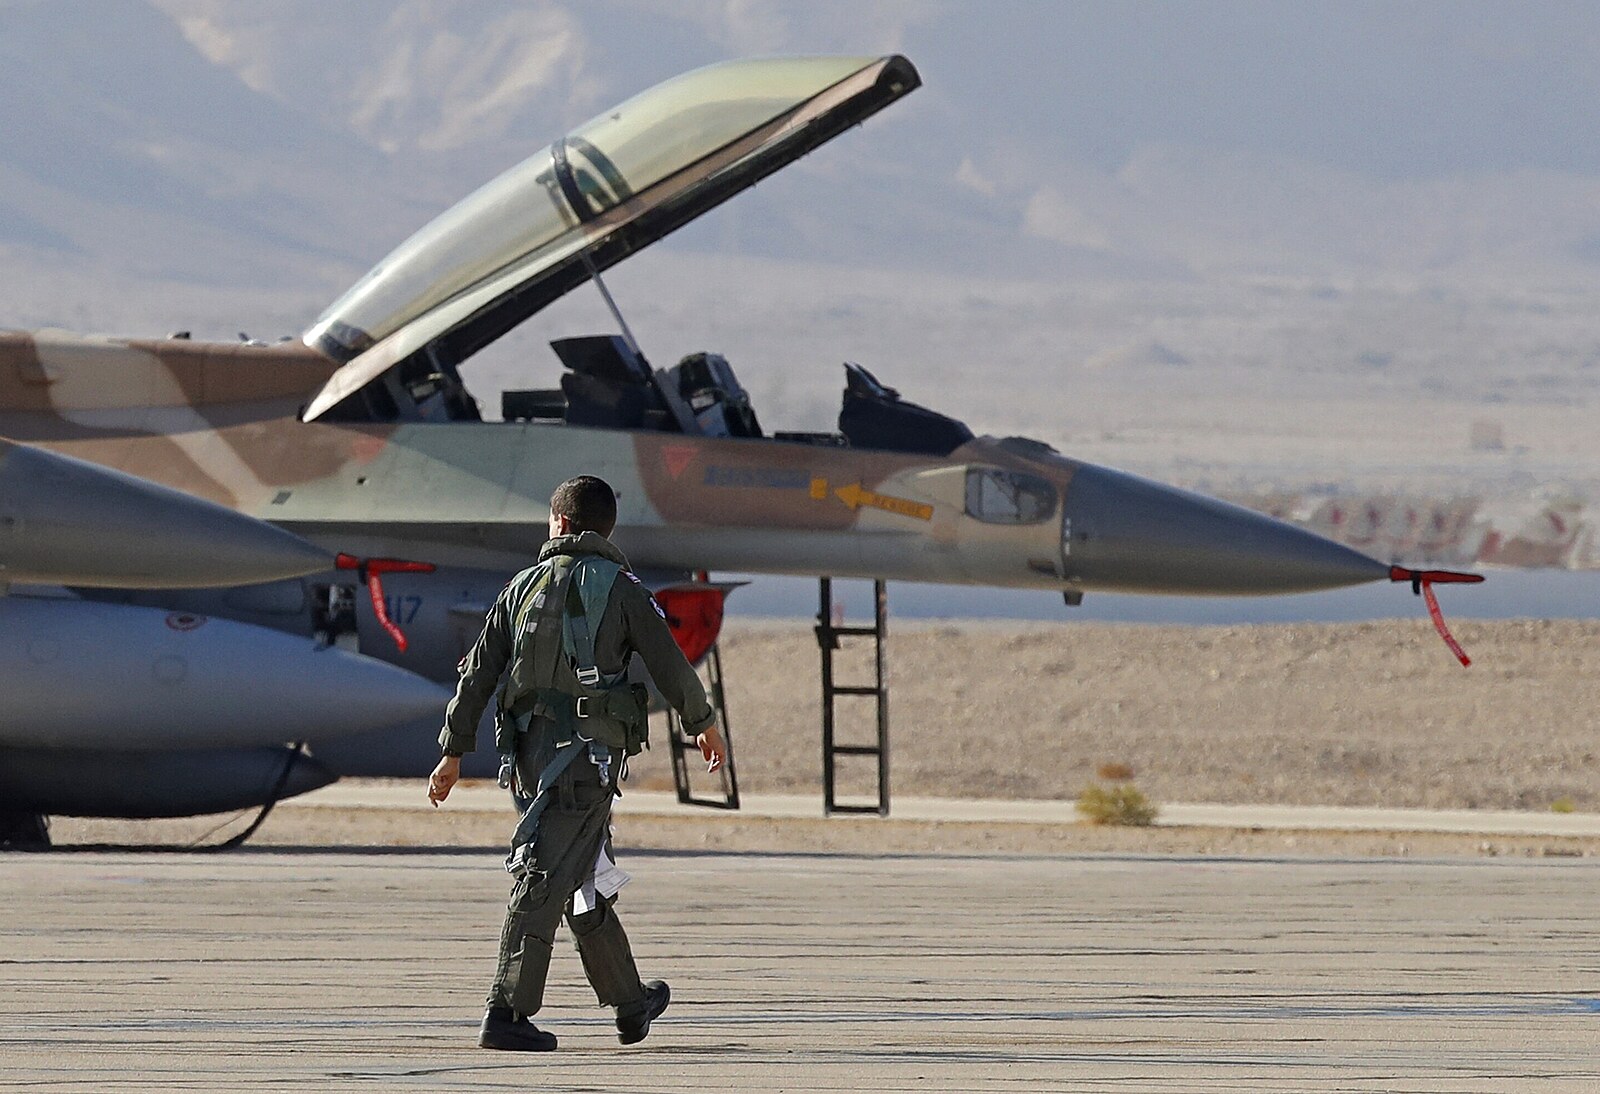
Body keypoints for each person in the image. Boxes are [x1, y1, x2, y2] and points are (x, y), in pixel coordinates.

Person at [428, 475, 726, 1052]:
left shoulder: (519, 588)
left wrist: (452, 751)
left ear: (560, 523)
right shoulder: (622, 589)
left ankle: (630, 1003)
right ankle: (506, 1011)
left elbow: (478, 673)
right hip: (586, 762)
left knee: (583, 875)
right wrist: (702, 723)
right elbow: (668, 661)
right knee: (544, 874)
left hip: (528, 761)